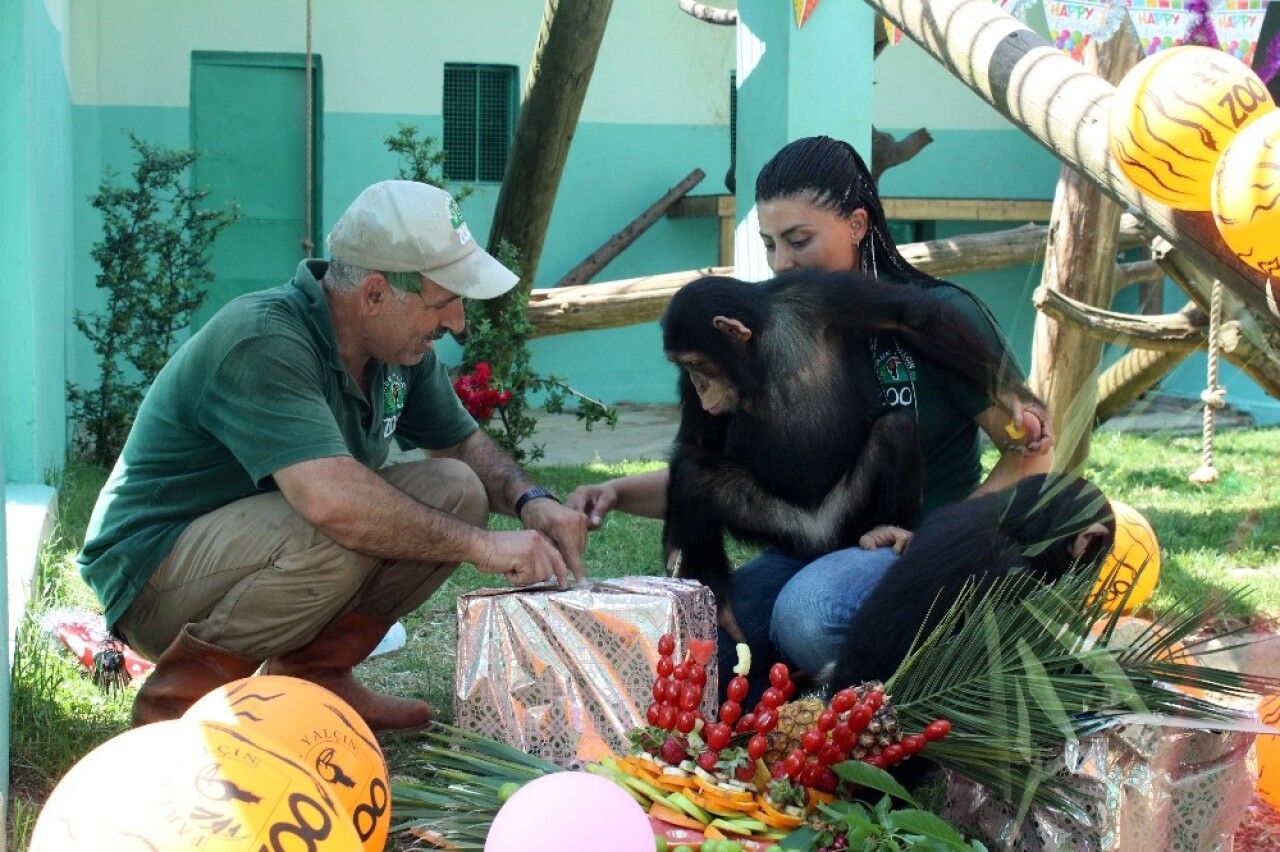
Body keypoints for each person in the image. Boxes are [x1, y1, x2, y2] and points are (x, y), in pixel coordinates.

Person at [78, 180, 589, 732]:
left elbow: (462, 444)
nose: (457, 323)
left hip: (254, 551)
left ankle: (315, 679)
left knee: (457, 489)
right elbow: (331, 501)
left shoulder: (398, 349)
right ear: (373, 294)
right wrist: (484, 546)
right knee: (345, 525)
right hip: (151, 578)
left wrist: (531, 500)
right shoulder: (263, 339)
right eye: (444, 302)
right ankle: (176, 711)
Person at [569, 136, 1053, 702]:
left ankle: (899, 681)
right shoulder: (759, 332)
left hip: (917, 548)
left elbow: (1032, 451)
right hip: (812, 545)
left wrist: (940, 542)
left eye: (799, 240)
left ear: (856, 223)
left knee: (809, 614)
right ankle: (807, 682)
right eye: (770, 244)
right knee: (694, 656)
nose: (781, 263)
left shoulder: (938, 316)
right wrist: (615, 492)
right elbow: (713, 475)